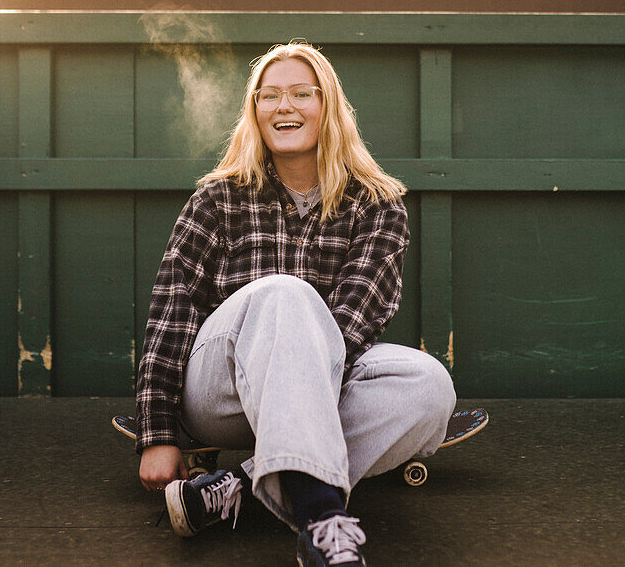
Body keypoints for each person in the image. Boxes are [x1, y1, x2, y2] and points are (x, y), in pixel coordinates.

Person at [134, 40, 456, 566]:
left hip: (324, 380)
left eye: (301, 94)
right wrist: (158, 433)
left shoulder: (377, 203)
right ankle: (320, 515)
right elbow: (171, 313)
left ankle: (239, 484)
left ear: (328, 107)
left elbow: (358, 317)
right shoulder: (218, 198)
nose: (284, 107)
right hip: (222, 392)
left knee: (428, 385)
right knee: (285, 293)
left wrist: (307, 380)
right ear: (254, 112)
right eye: (269, 96)